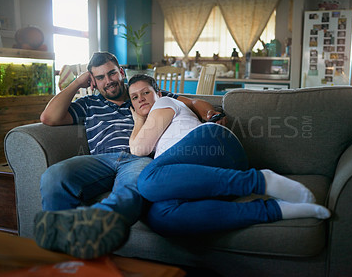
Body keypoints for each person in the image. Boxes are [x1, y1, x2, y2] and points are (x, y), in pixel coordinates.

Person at [34, 52, 225, 259]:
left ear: (121, 72)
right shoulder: (88, 104)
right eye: (100, 78)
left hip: (138, 159)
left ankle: (93, 228)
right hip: (100, 161)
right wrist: (78, 81)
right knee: (54, 176)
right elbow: (48, 117)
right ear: (93, 82)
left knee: (131, 191)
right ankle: (60, 254)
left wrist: (212, 115)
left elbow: (195, 102)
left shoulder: (144, 95)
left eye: (112, 73)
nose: (108, 81)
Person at [128, 74, 331, 236]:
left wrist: (137, 122)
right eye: (135, 98)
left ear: (159, 93)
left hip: (210, 143)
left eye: (145, 92)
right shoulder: (156, 120)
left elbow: (139, 149)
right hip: (214, 171)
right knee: (160, 216)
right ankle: (275, 210)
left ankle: (258, 180)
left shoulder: (163, 104)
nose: (141, 99)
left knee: (147, 181)